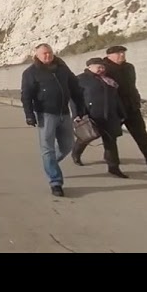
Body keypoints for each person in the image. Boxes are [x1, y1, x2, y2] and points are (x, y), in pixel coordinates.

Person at [21, 43, 85, 197]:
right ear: (36, 55)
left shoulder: (62, 69)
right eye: (44, 53)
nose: (47, 56)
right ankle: (55, 182)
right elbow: (26, 96)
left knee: (67, 145)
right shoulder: (31, 72)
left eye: (49, 53)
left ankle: (49, 163)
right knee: (47, 148)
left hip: (64, 113)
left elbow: (75, 88)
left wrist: (80, 109)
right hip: (45, 115)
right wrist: (29, 115)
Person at [102, 45, 147, 169]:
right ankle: (110, 162)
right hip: (115, 110)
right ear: (109, 56)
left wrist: (136, 99)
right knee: (110, 138)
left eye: (123, 53)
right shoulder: (103, 69)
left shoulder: (129, 67)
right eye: (118, 53)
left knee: (142, 136)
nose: (122, 55)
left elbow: (132, 85)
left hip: (131, 108)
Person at [71, 57, 129, 178]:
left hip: (110, 116)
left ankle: (113, 167)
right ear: (89, 67)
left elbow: (116, 99)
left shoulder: (109, 80)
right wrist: (77, 114)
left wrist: (122, 113)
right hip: (91, 115)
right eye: (99, 67)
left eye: (103, 67)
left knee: (111, 142)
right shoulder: (80, 80)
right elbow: (75, 99)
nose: (101, 69)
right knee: (86, 138)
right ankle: (76, 153)